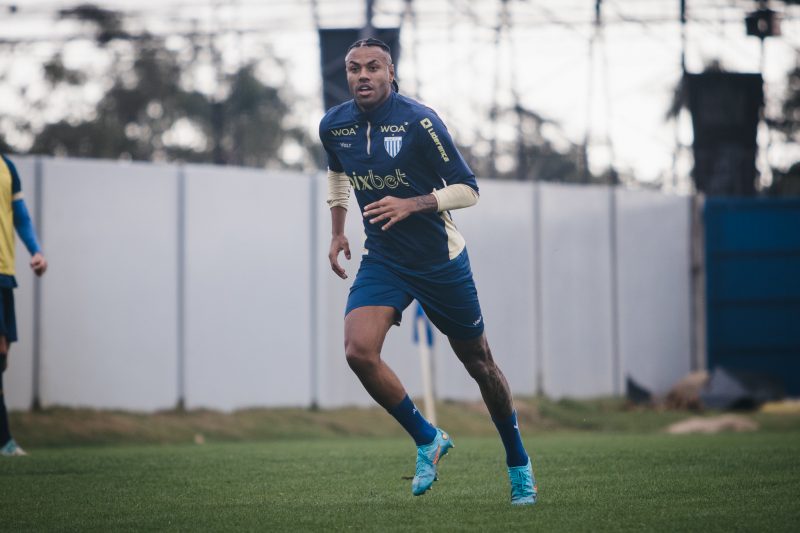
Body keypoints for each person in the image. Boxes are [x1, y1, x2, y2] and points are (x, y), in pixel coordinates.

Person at [318, 38, 537, 505]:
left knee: (479, 363)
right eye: (354, 68)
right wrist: (338, 230)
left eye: (373, 67)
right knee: (359, 350)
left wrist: (413, 203)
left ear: (390, 73)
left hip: (440, 260)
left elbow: (468, 188)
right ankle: (427, 438)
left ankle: (518, 461)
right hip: (384, 259)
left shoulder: (419, 120)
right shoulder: (333, 126)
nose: (362, 76)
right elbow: (338, 174)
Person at [0, 154, 47, 457]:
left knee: (2, 359)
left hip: (4, 275)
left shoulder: (7, 167)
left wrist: (36, 250)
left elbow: (20, 215)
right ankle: (4, 440)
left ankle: (4, 440)